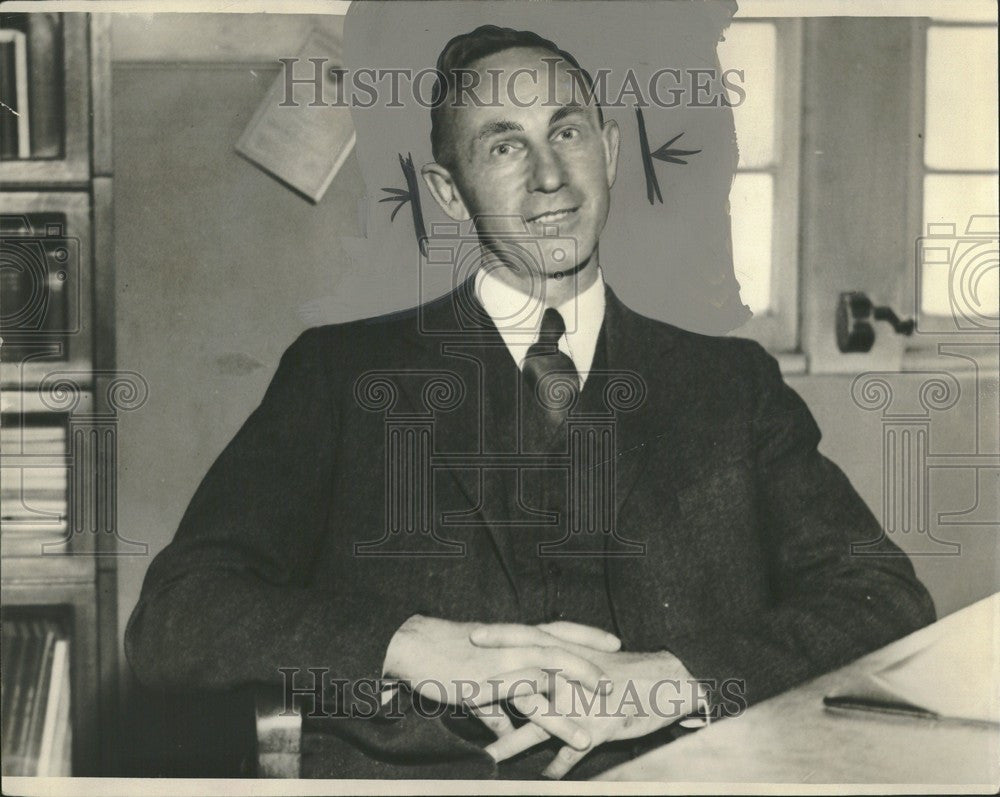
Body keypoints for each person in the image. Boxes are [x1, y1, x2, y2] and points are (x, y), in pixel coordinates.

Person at [125, 25, 935, 780]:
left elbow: (885, 598)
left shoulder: (731, 383)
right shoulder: (341, 376)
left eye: (568, 132)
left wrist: (680, 679)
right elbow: (175, 616)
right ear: (447, 192)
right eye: (504, 145)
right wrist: (405, 645)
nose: (549, 175)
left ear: (611, 151)